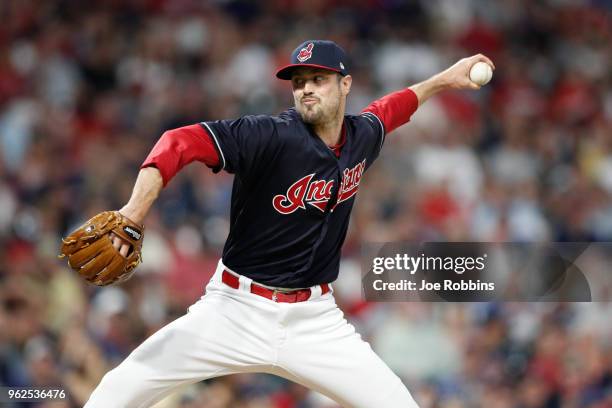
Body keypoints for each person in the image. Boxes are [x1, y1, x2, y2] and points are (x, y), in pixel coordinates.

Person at [85, 40, 494, 408]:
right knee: (117, 391)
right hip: (234, 309)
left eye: (318, 78)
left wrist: (445, 79)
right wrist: (134, 211)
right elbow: (178, 141)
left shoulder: (361, 136)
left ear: (345, 85)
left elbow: (393, 108)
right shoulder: (269, 135)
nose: (307, 89)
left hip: (315, 321)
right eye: (299, 82)